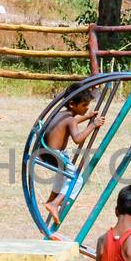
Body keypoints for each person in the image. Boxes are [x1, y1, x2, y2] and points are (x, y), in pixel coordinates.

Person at [37, 88, 100, 228]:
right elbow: (77, 139)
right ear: (72, 104)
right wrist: (93, 125)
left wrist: (88, 116)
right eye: (84, 105)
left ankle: (52, 200)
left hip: (44, 152)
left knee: (64, 175)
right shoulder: (70, 119)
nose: (87, 107)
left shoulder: (61, 114)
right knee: (77, 179)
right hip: (55, 155)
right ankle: (54, 204)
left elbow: (72, 122)